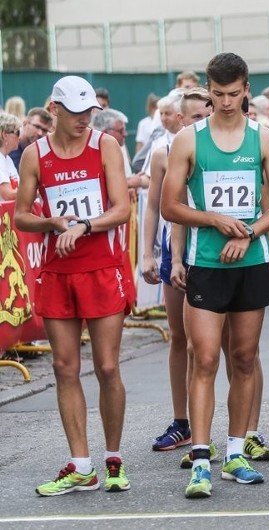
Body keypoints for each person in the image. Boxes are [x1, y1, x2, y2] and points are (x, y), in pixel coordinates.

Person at [160, 52, 269, 498]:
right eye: (218, 95)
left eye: (234, 94)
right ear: (209, 91)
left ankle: (235, 452)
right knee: (206, 357)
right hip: (208, 263)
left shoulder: (264, 137)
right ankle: (201, 459)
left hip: (251, 261)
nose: (226, 102)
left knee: (244, 357)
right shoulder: (189, 139)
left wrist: (250, 231)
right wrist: (215, 219)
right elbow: (169, 206)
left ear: (246, 88)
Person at [16, 75, 133, 495]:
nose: (85, 119)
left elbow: (121, 209)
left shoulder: (105, 146)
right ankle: (81, 464)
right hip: (58, 271)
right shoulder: (35, 154)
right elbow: (20, 215)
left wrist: (84, 225)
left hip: (102, 267)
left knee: (106, 366)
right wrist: (51, 222)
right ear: (55, 109)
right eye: (77, 112)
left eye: (90, 112)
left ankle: (114, 458)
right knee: (65, 368)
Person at [141, 87, 212, 454]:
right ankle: (181, 421)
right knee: (179, 337)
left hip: (213, 250)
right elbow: (153, 206)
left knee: (220, 345)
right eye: (194, 117)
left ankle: (241, 429)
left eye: (206, 115)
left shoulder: (221, 148)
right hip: (175, 252)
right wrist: (147, 254)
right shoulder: (164, 153)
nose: (201, 123)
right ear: (181, 120)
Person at [0, 113, 22, 201]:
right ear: (5, 135)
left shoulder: (7, 159)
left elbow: (18, 188)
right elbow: (8, 195)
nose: (19, 138)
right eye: (18, 133)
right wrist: (37, 190)